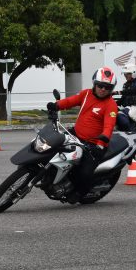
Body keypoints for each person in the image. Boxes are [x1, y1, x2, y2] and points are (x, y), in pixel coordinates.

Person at [47, 66, 118, 203]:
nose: (103, 89)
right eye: (100, 85)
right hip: (75, 134)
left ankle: (80, 192)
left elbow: (109, 125)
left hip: (93, 144)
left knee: (84, 173)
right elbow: (70, 101)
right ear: (94, 84)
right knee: (52, 147)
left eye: (107, 87)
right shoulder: (86, 94)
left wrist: (101, 144)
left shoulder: (111, 104)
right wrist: (56, 105)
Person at [115, 64, 136, 131]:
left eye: (128, 74)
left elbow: (133, 90)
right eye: (125, 74)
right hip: (127, 107)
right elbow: (123, 98)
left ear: (134, 73)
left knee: (120, 115)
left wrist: (118, 92)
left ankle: (130, 133)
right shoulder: (126, 84)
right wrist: (113, 104)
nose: (125, 75)